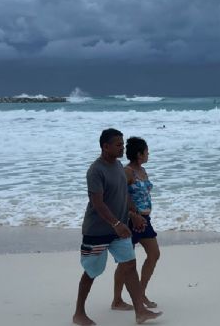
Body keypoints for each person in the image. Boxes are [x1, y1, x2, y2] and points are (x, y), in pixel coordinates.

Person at [73, 128, 162, 325]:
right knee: (91, 272)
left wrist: (134, 215)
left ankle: (140, 311)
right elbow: (98, 203)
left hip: (119, 229)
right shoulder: (95, 170)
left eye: (123, 144)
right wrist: (116, 223)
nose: (123, 148)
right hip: (97, 230)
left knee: (130, 265)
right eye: (118, 145)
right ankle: (79, 313)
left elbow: (124, 196)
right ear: (105, 147)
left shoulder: (118, 167)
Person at [111, 136, 161, 310]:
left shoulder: (143, 171)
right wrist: (132, 214)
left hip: (145, 220)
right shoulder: (127, 172)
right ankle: (117, 300)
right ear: (139, 154)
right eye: (147, 151)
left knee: (154, 254)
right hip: (131, 220)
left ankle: (140, 293)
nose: (148, 154)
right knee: (125, 263)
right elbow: (121, 195)